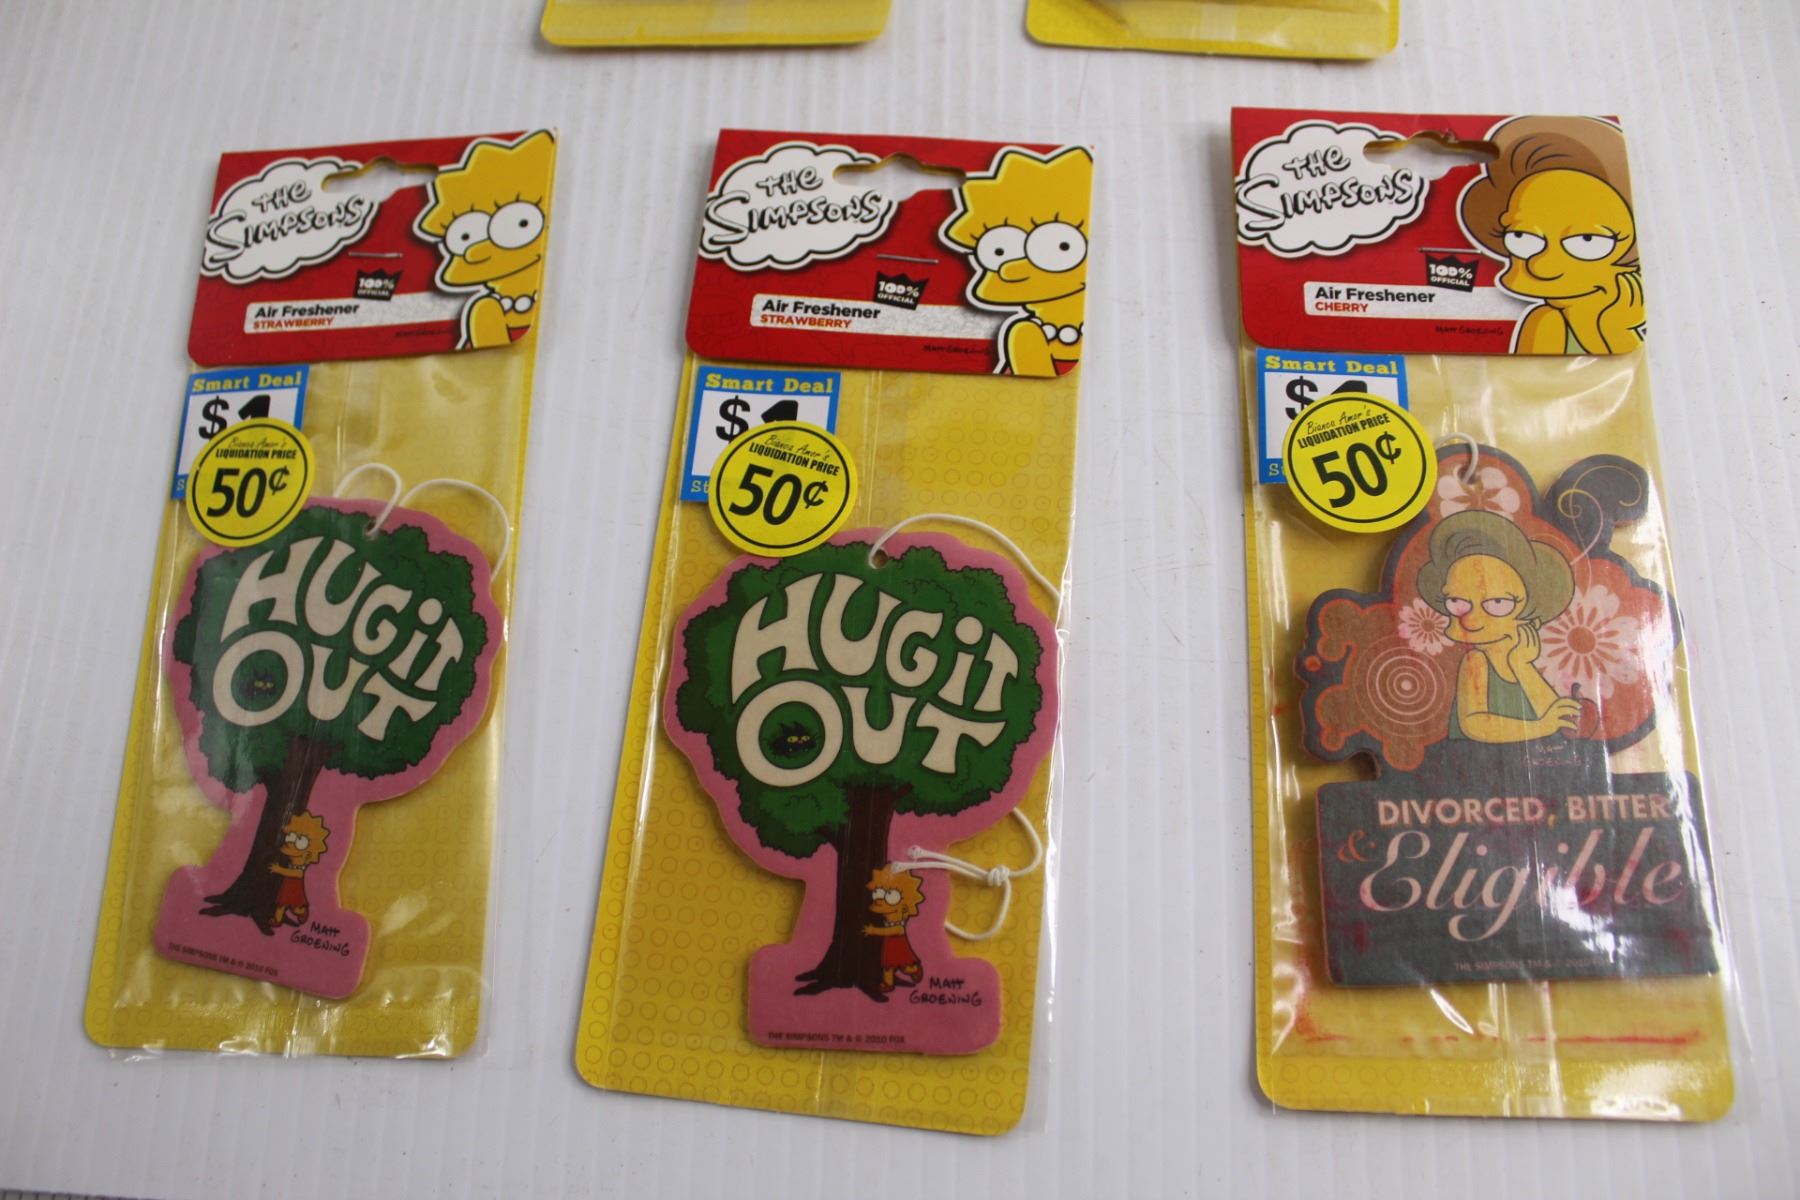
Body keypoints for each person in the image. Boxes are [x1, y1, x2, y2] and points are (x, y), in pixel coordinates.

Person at [1459, 116, 1644, 354]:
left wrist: (1612, 327)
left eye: (1586, 241)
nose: (1542, 267)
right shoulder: (1547, 322)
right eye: (1523, 239)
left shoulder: (1630, 310)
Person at [1417, 510, 1582, 743]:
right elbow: (1474, 724)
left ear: (1530, 611)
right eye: (1457, 602)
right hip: (1470, 759)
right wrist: (1538, 727)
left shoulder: (1521, 661)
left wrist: (1522, 665)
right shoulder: (1476, 660)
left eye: (1497, 603)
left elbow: (1553, 717)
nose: (1472, 619)